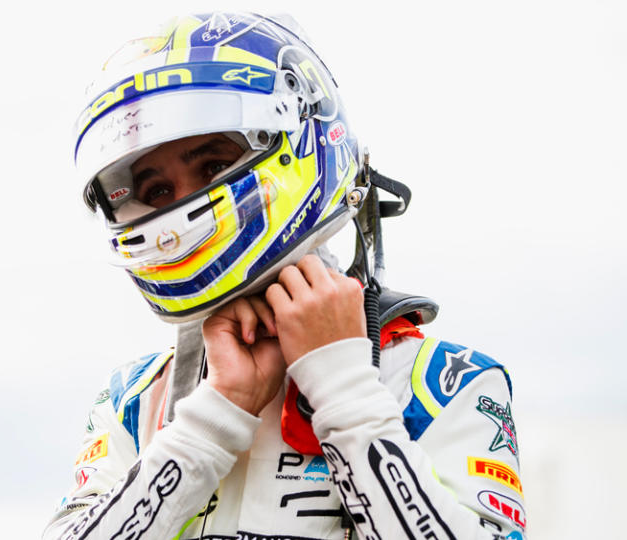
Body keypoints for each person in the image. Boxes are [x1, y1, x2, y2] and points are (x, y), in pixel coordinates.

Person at [45, 12, 525, 540]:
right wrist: (212, 420)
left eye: (210, 166)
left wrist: (345, 391)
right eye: (158, 191)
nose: (182, 204)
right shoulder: (134, 401)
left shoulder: (441, 381)